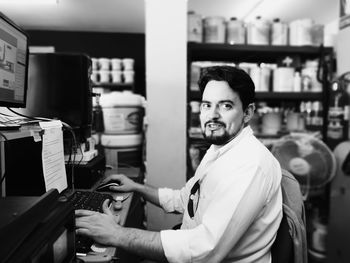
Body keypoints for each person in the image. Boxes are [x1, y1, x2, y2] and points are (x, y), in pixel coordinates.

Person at [76, 66, 283, 262]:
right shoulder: (220, 149)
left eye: (226, 105)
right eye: (207, 105)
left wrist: (118, 235)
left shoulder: (249, 165)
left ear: (247, 113)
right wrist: (136, 187)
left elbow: (205, 250)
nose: (212, 115)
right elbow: (185, 199)